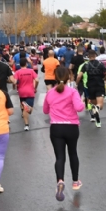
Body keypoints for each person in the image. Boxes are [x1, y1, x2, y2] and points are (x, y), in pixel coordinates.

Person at [43, 66, 84, 201]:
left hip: (56, 128)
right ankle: (75, 181)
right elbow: (78, 108)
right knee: (73, 153)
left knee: (60, 157)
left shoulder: (50, 93)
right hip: (71, 127)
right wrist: (82, 102)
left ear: (55, 77)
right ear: (69, 77)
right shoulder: (73, 92)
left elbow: (45, 110)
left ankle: (60, 181)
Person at [78, 50, 106, 128]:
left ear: (88, 57)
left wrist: (77, 83)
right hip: (99, 85)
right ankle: (97, 110)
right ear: (95, 56)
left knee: (93, 104)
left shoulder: (86, 65)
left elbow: (79, 76)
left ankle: (98, 121)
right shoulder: (100, 64)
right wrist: (104, 78)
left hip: (90, 86)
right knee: (100, 106)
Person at [15, 57, 39, 131]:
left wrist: (15, 86)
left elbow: (15, 81)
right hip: (30, 92)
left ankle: (24, 112)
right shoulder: (31, 71)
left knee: (25, 107)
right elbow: (37, 80)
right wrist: (35, 88)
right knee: (28, 109)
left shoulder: (18, 72)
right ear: (26, 63)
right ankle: (26, 124)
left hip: (21, 91)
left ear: (20, 64)